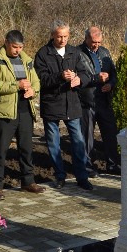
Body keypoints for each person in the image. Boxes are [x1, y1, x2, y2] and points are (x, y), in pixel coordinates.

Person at [34, 21, 93, 191]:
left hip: (72, 104)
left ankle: (82, 177)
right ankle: (59, 176)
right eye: (59, 36)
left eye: (66, 36)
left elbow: (85, 73)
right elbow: (42, 80)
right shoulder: (43, 53)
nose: (63, 39)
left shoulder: (74, 52)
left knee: (78, 142)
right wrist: (60, 76)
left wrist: (79, 79)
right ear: (53, 35)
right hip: (52, 104)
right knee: (53, 143)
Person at [0, 30, 45, 198]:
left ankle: (28, 181)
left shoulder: (26, 60)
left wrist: (33, 90)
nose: (17, 50)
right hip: (5, 112)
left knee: (26, 149)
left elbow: (36, 81)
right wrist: (17, 85)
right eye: (14, 47)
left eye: (20, 47)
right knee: (0, 150)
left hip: (25, 110)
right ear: (6, 42)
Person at [78, 27, 120, 175]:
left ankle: (113, 164)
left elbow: (114, 75)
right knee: (87, 137)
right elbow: (78, 79)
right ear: (86, 38)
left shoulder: (105, 52)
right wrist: (96, 78)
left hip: (104, 101)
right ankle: (87, 166)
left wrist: (111, 84)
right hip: (87, 101)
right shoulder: (77, 53)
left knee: (110, 134)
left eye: (99, 42)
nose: (96, 45)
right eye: (94, 42)